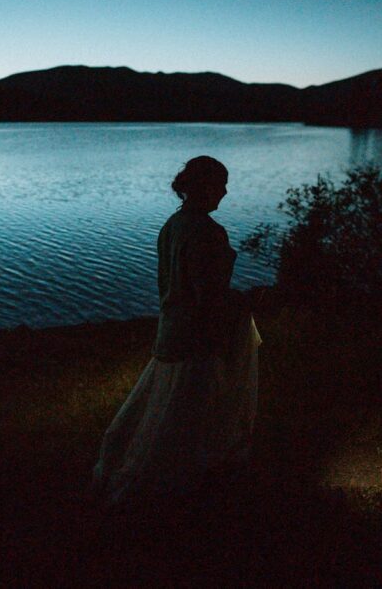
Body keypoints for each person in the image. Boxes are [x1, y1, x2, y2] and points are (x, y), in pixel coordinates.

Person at [92, 156, 261, 507]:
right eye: (221, 184)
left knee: (168, 415)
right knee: (186, 419)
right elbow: (207, 294)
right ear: (205, 187)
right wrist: (243, 302)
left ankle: (169, 480)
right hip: (196, 340)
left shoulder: (173, 225)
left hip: (171, 332)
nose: (226, 192)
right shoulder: (207, 232)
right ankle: (174, 489)